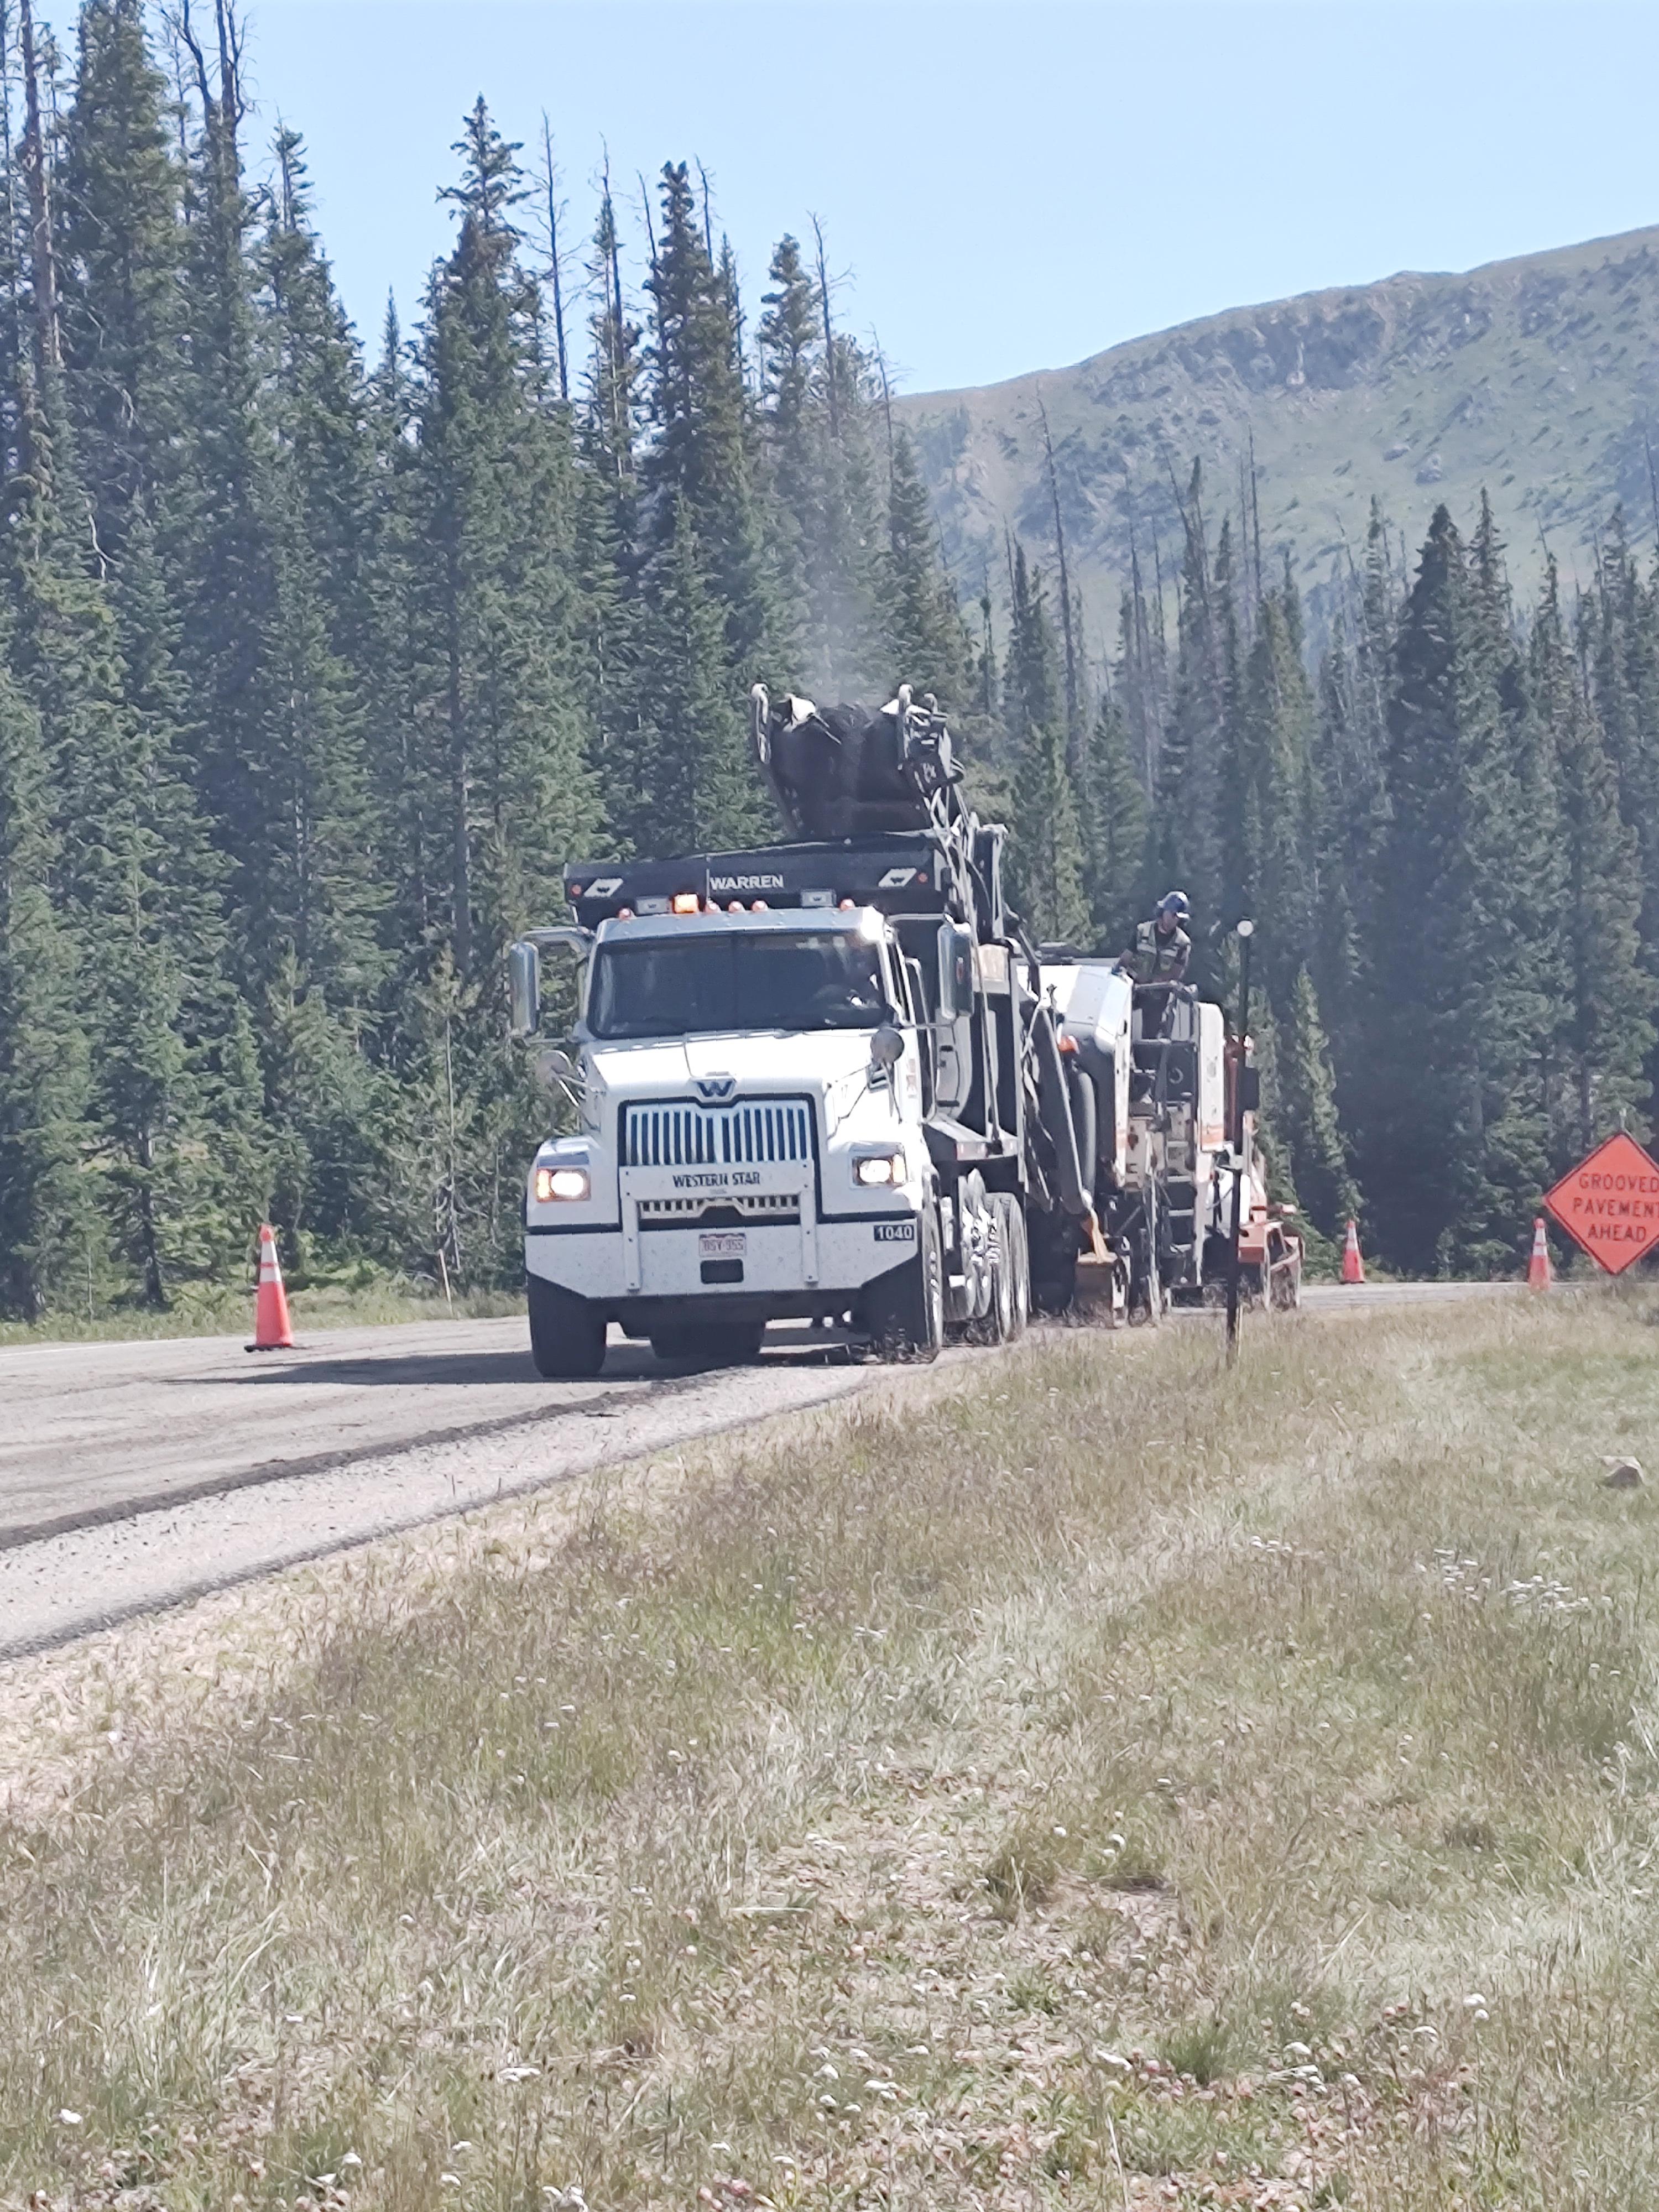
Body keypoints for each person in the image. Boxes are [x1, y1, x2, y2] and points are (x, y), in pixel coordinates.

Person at [1123, 890, 1192, 985]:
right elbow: (1124, 961)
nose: (1174, 919)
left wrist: (1160, 982)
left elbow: (1176, 974)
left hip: (1161, 995)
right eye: (1173, 914)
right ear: (1164, 911)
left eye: (1178, 917)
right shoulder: (1142, 931)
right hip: (1133, 990)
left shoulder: (1183, 943)